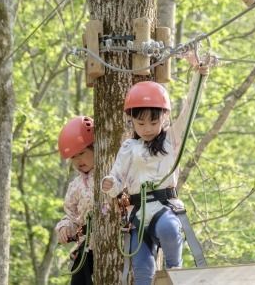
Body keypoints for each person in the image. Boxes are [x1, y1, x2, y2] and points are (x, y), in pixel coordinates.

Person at [101, 53, 209, 285]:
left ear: (164, 117)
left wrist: (200, 76)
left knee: (170, 229)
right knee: (142, 271)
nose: (147, 128)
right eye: (141, 123)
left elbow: (190, 111)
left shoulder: (171, 139)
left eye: (153, 121)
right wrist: (110, 184)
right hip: (138, 215)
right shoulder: (129, 147)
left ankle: (175, 274)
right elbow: (117, 178)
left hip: (164, 207)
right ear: (131, 120)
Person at [55, 116, 95, 285]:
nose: (78, 161)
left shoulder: (110, 173)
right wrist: (65, 227)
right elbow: (72, 216)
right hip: (86, 245)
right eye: (74, 157)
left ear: (95, 149)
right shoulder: (75, 186)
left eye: (82, 154)